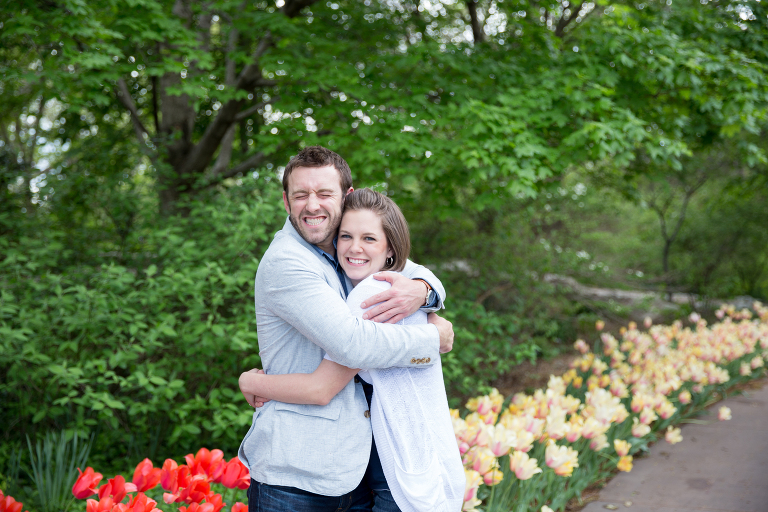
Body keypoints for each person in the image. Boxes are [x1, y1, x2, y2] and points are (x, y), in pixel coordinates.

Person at [237, 146, 455, 512]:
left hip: (354, 467)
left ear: (346, 196)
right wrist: (435, 338)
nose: (312, 205)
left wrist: (425, 291)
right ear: (286, 202)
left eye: (324, 193)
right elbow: (352, 345)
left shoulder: (343, 246)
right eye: (300, 194)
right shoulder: (288, 263)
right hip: (296, 475)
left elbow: (408, 266)